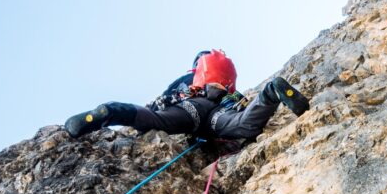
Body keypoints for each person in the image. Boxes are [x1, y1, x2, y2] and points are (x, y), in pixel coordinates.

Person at [64, 49, 309, 141]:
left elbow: (160, 103)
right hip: (217, 115)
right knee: (244, 126)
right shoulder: (226, 86)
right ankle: (270, 93)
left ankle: (110, 111)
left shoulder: (186, 81)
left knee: (153, 120)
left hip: (189, 111)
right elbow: (240, 107)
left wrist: (152, 110)